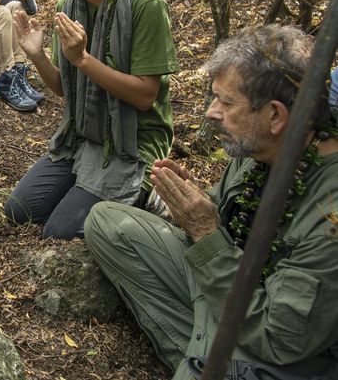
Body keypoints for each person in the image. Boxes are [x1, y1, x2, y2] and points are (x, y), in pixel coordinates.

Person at [85, 25, 338, 380]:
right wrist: (198, 209)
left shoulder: (330, 213)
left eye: (227, 102)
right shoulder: (256, 148)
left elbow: (281, 338)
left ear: (276, 116)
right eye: (214, 98)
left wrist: (205, 232)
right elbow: (229, 227)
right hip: (232, 288)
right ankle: (201, 357)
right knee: (107, 223)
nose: (211, 113)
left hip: (285, 346)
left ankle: (205, 364)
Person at [3, 0, 179, 238]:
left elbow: (144, 96)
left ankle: (149, 194)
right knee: (19, 211)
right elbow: (64, 87)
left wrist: (83, 60)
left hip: (133, 144)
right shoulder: (68, 7)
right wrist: (37, 55)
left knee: (58, 230)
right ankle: (97, 186)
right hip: (84, 138)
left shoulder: (145, 5)